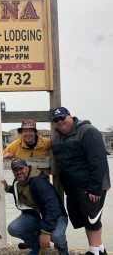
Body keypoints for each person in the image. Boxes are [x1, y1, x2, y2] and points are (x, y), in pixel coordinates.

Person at [51, 107, 111, 255]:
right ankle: (100, 249)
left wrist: (95, 188)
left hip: (90, 187)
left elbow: (99, 161)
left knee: (92, 221)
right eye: (56, 120)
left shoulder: (88, 131)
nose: (60, 122)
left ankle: (94, 252)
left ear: (70, 116)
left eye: (62, 118)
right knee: (85, 220)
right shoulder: (56, 137)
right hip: (73, 190)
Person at [1, 158, 69, 255]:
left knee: (56, 236)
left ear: (27, 168)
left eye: (21, 168)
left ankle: (63, 250)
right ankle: (36, 246)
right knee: (13, 228)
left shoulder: (39, 183)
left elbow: (52, 208)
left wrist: (45, 232)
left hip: (57, 216)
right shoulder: (18, 182)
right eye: (15, 170)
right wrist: (8, 188)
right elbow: (21, 191)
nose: (18, 172)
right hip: (37, 215)